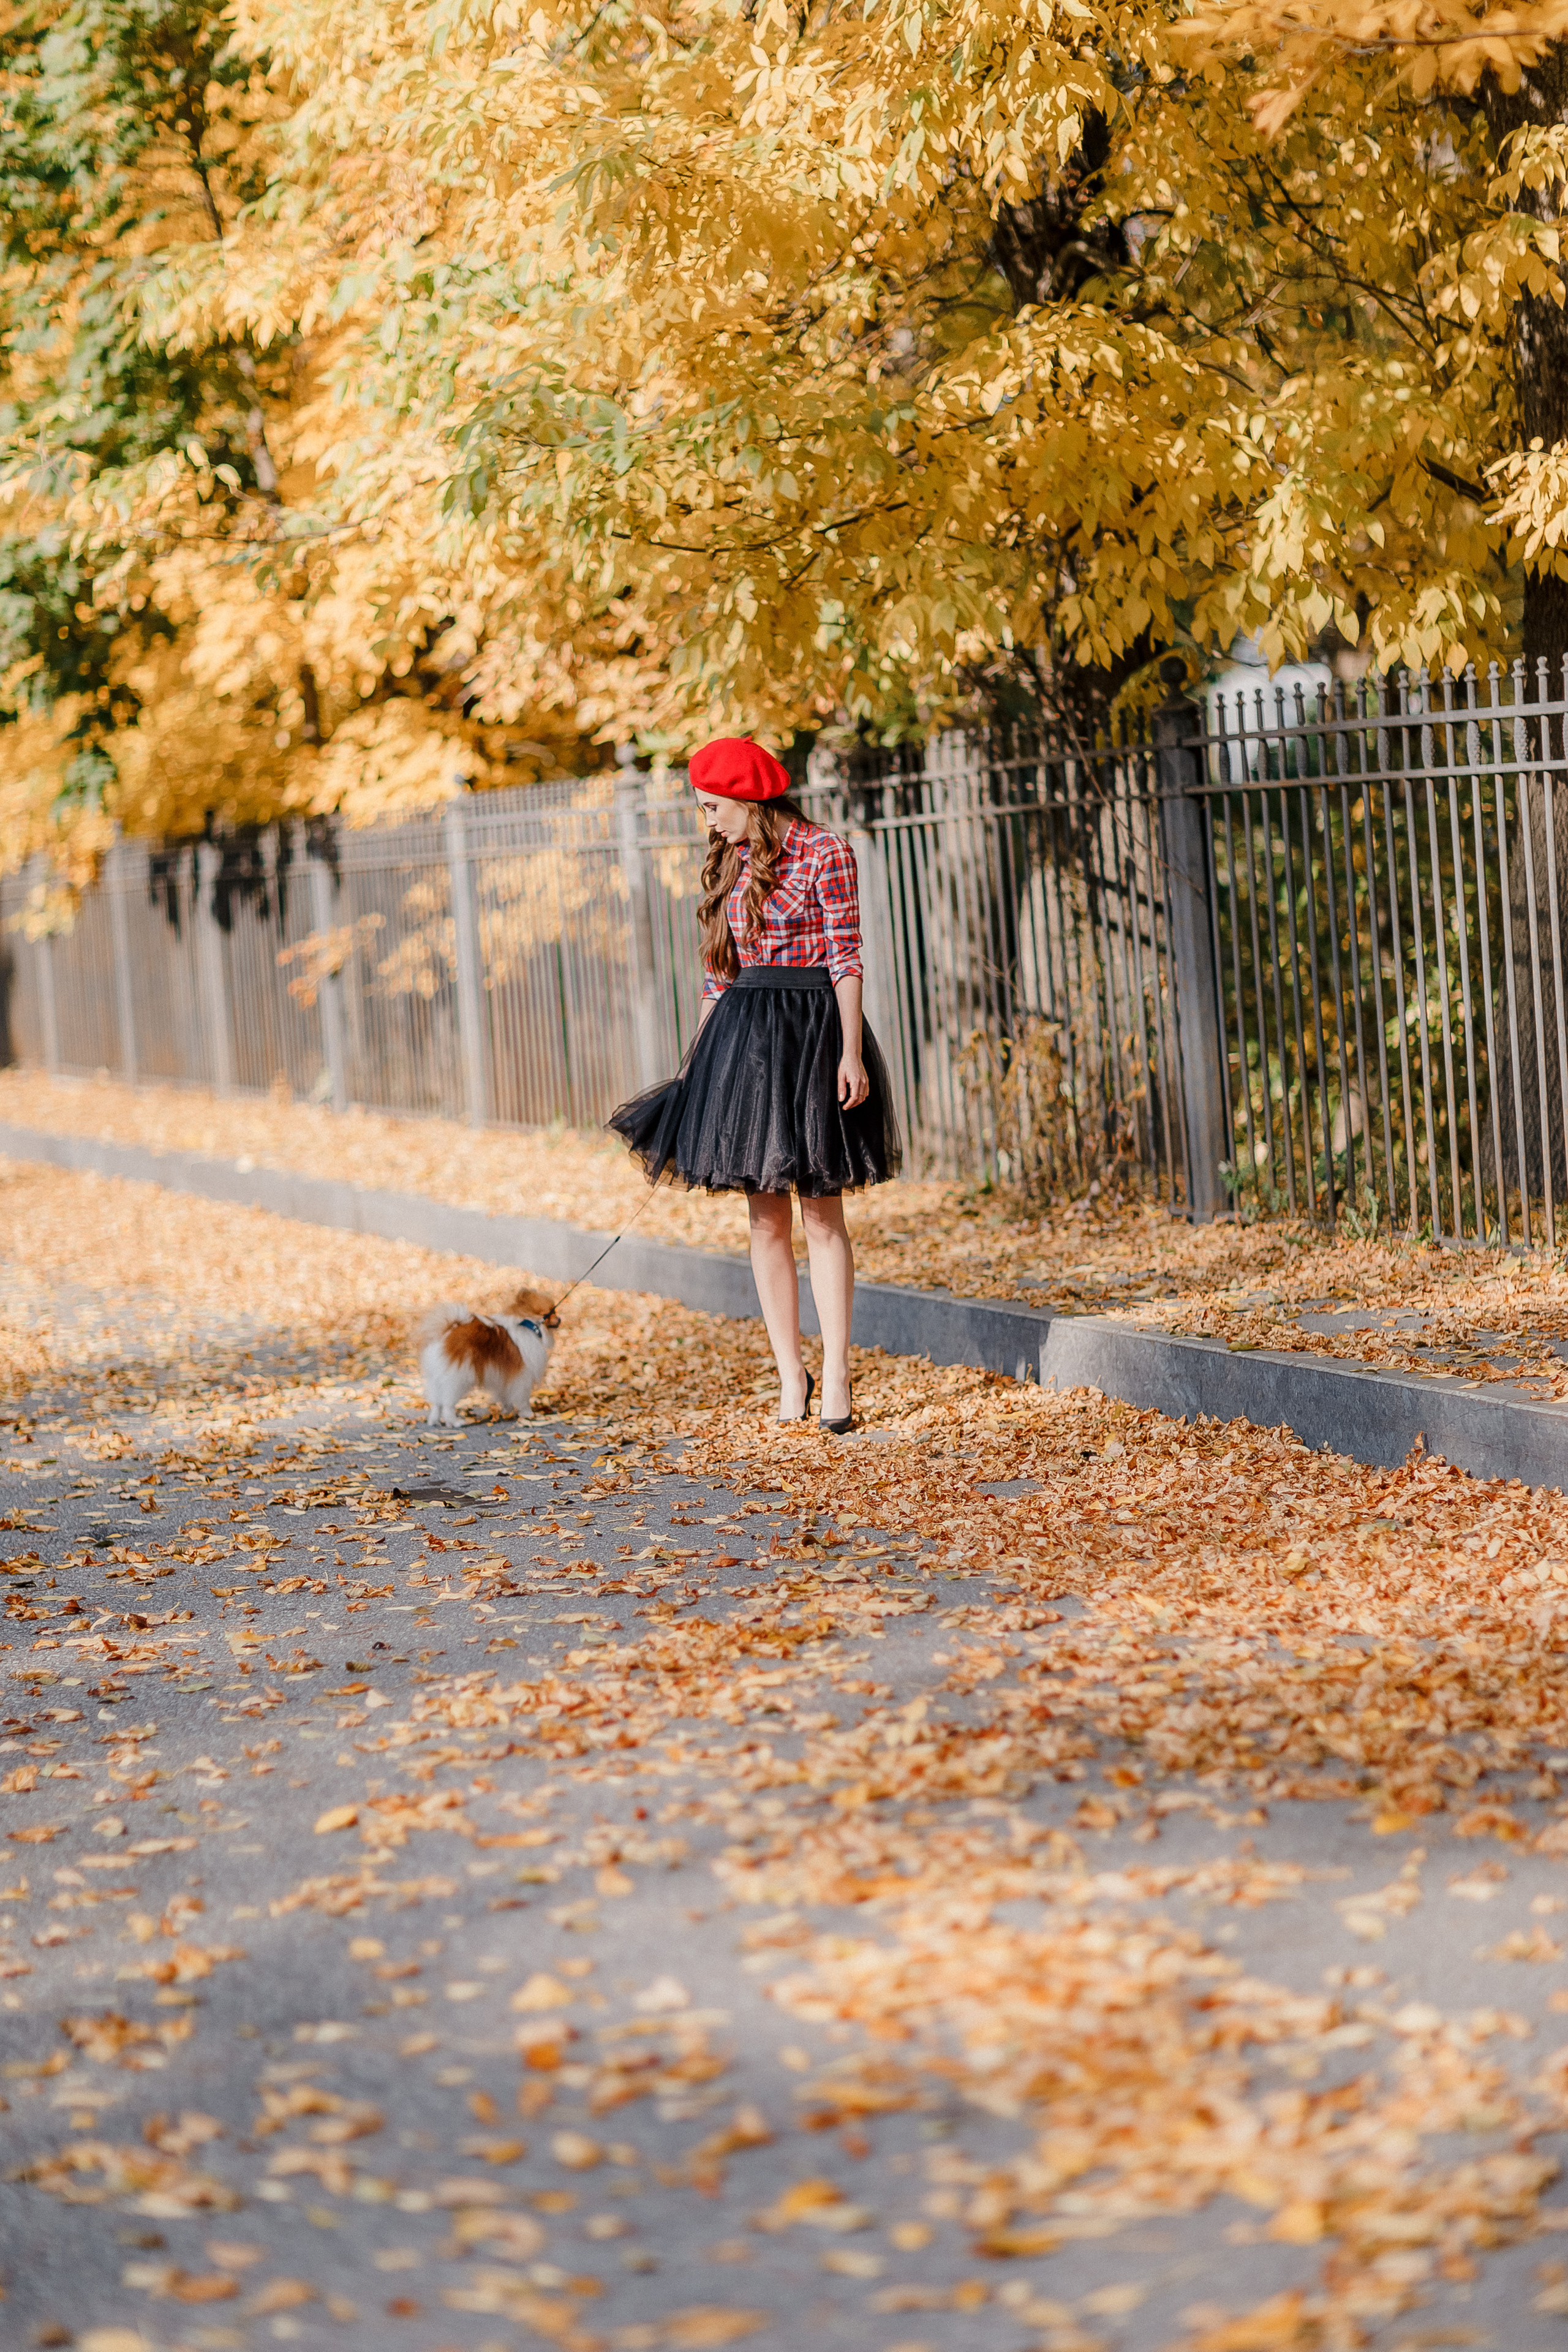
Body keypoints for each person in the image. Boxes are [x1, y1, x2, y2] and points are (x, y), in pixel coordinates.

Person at [608, 736, 901, 1433]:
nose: (707, 819)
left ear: (747, 796)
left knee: (822, 1211)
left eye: (712, 805)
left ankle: (835, 1376)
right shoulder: (727, 863)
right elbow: (718, 975)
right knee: (764, 1215)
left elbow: (846, 957)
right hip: (744, 1044)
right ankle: (788, 1376)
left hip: (813, 1037)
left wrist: (851, 1053)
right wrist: (696, 1065)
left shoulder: (826, 851)